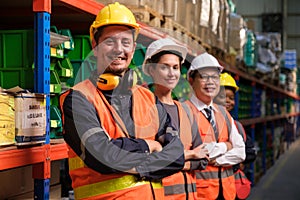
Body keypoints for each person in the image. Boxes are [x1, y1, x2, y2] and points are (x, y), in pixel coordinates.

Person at [59, 3, 185, 200]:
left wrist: (126, 156)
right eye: (109, 42)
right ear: (95, 45)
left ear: (133, 48)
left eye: (125, 42)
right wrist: (148, 146)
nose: (119, 49)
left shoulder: (148, 98)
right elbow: (101, 155)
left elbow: (177, 156)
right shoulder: (78, 98)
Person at [142, 38, 209, 199]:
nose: (172, 74)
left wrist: (174, 160)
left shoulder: (186, 111)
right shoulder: (144, 108)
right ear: (151, 70)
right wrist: (191, 155)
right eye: (164, 67)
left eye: (176, 67)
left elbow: (203, 159)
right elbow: (148, 162)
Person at [185, 52, 246, 200]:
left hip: (227, 193)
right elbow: (187, 155)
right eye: (204, 77)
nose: (210, 82)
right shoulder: (183, 112)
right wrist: (226, 146)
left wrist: (215, 158)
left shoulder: (224, 114)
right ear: (191, 80)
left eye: (214, 77)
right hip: (200, 194)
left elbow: (241, 152)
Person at [214, 72, 257, 200]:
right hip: (212, 190)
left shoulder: (236, 126)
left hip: (232, 189)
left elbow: (250, 152)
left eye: (231, 98)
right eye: (223, 96)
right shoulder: (207, 123)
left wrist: (237, 163)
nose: (228, 101)